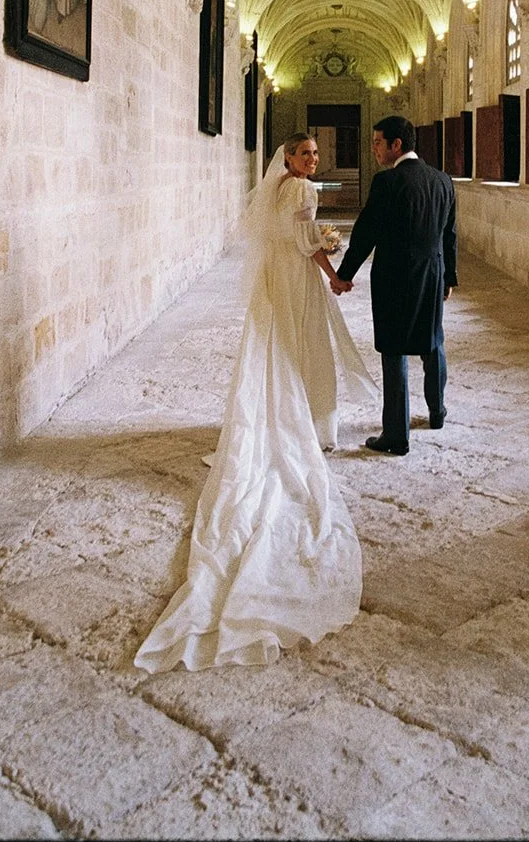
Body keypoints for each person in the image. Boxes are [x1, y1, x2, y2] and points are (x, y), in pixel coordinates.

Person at [134, 134, 378, 672]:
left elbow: (283, 237)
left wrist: (321, 246)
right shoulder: (304, 190)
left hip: (275, 281)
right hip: (296, 278)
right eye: (305, 154)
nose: (312, 162)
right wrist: (333, 268)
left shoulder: (278, 189)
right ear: (288, 158)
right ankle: (308, 425)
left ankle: (283, 414)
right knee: (303, 346)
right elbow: (306, 243)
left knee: (279, 348)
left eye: (314, 155)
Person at [332, 115, 457, 456]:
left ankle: (396, 434)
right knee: (433, 342)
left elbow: (366, 232)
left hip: (395, 276)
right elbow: (449, 235)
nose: (373, 149)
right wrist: (450, 277)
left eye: (376, 142)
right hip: (432, 274)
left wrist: (344, 274)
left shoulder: (387, 182)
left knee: (395, 350)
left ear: (395, 145)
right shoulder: (442, 180)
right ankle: (437, 412)